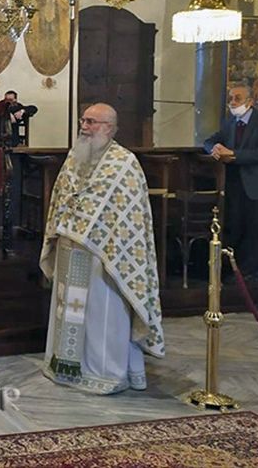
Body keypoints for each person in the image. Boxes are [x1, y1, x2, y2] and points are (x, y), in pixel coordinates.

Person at [40, 103, 164, 394]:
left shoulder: (124, 163)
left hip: (107, 257)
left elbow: (130, 218)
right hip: (70, 248)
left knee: (103, 316)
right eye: (83, 120)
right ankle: (67, 368)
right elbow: (61, 198)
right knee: (69, 311)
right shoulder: (74, 158)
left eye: (91, 122)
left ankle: (106, 374)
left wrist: (91, 234)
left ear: (109, 128)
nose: (84, 126)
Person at [204, 84, 258, 282]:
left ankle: (253, 272)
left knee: (257, 230)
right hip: (234, 185)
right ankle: (236, 270)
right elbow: (209, 140)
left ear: (250, 102)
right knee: (236, 227)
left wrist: (234, 154)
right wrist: (214, 148)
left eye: (237, 98)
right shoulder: (230, 123)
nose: (232, 103)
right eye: (231, 98)